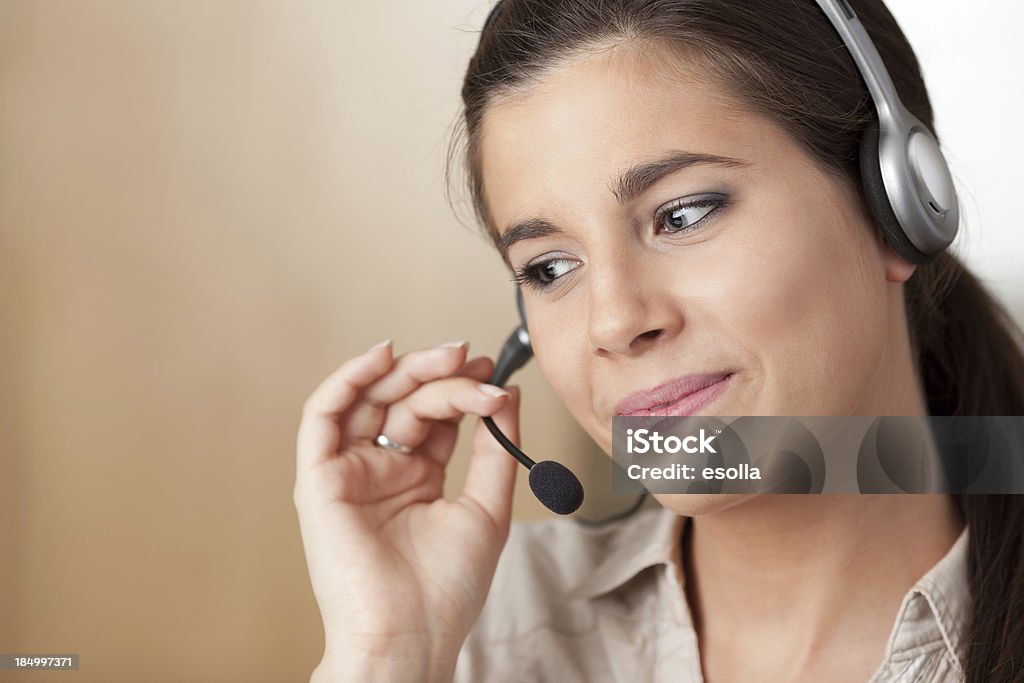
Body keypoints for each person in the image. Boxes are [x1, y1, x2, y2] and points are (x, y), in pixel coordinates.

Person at [293, 0, 1024, 681]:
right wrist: (390, 654)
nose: (613, 321)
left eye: (682, 215)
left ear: (897, 205)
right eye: (549, 267)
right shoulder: (482, 620)